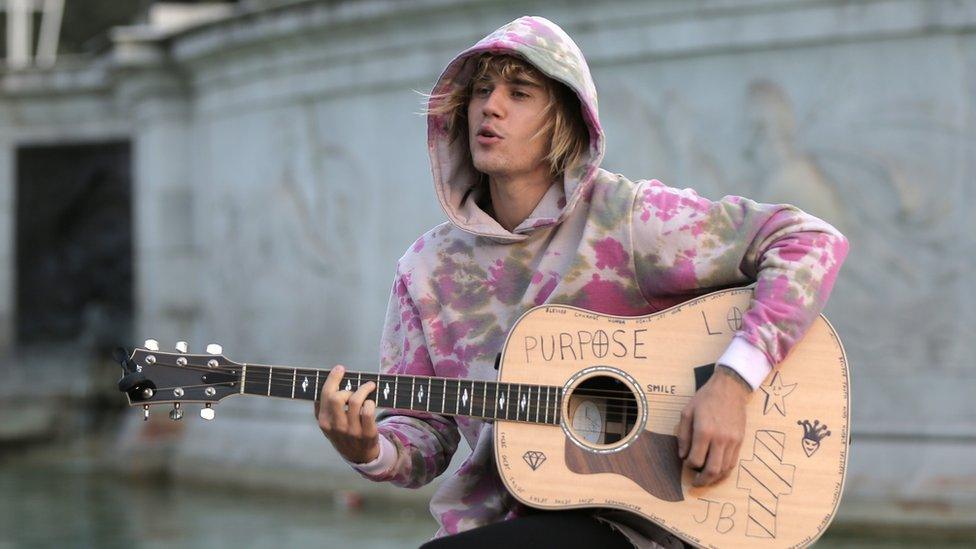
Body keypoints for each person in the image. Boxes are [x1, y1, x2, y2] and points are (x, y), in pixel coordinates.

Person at [313, 15, 848, 549]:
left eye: (519, 93)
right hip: (504, 527)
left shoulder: (629, 219)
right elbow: (425, 438)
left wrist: (732, 384)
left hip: (646, 526)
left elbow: (810, 241)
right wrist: (369, 450)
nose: (490, 107)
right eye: (480, 91)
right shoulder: (425, 270)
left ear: (565, 120)